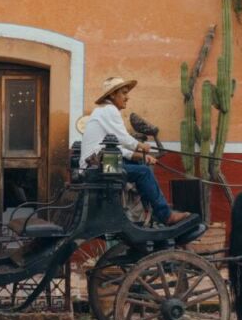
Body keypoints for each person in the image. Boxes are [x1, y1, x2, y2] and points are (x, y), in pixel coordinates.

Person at [80, 76, 191, 226]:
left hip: (98, 163)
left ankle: (153, 213)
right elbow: (123, 139)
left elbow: (116, 147)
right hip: (97, 166)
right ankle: (165, 215)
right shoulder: (110, 110)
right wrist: (141, 146)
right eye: (124, 93)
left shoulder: (102, 111)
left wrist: (140, 156)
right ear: (112, 95)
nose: (127, 97)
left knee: (142, 167)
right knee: (144, 172)